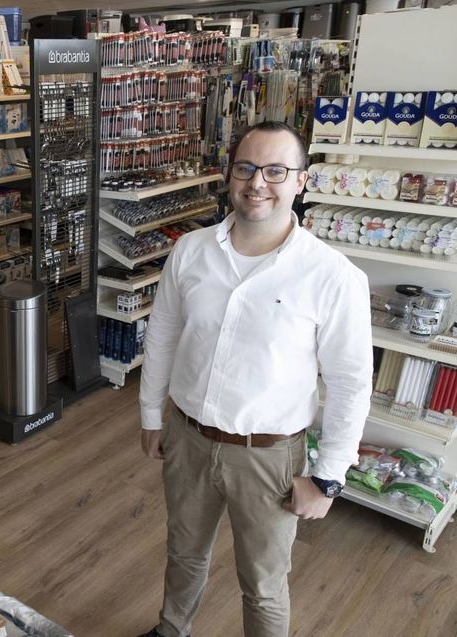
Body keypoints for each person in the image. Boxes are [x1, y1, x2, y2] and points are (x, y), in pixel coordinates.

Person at [137, 121, 373, 637]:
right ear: (229, 175)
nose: (257, 182)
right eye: (246, 168)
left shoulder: (332, 275)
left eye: (275, 170)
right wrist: (152, 416)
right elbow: (162, 337)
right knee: (183, 554)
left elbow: (351, 383)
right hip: (189, 440)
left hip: (269, 457)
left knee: (264, 585)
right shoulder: (192, 251)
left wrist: (329, 476)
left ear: (301, 182)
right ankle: (171, 629)